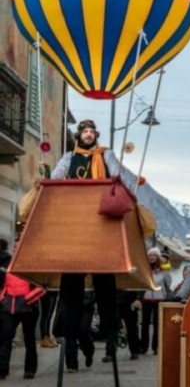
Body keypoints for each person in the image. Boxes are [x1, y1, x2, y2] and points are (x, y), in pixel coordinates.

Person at [51, 119, 120, 372]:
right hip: (76, 222)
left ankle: (110, 329)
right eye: (85, 131)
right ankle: (70, 339)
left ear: (96, 135)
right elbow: (56, 179)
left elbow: (116, 175)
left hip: (100, 220)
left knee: (104, 277)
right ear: (79, 135)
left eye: (92, 132)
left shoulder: (106, 154)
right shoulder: (69, 157)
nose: (88, 135)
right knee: (71, 284)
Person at [0, 270, 45, 379]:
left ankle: (30, 370)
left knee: (29, 338)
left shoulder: (32, 267)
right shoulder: (8, 265)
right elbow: (4, 284)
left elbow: (42, 287)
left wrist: (27, 299)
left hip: (28, 308)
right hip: (9, 305)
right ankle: (2, 369)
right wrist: (2, 298)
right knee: (5, 337)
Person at [140, 247, 172, 355]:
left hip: (159, 299)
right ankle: (143, 347)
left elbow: (168, 283)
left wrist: (165, 271)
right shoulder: (145, 269)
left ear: (158, 257)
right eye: (150, 255)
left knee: (158, 324)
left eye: (154, 255)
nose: (152, 257)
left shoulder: (163, 269)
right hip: (147, 298)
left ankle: (156, 347)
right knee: (144, 324)